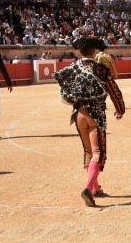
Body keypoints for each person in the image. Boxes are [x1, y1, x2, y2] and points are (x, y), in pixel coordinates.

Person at [53, 37, 125, 207]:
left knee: (88, 151)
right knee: (98, 152)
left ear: (79, 51)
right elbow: (114, 90)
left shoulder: (71, 68)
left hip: (79, 113)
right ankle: (87, 188)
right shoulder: (100, 69)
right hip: (95, 114)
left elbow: (63, 90)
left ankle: (95, 189)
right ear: (94, 51)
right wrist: (120, 108)